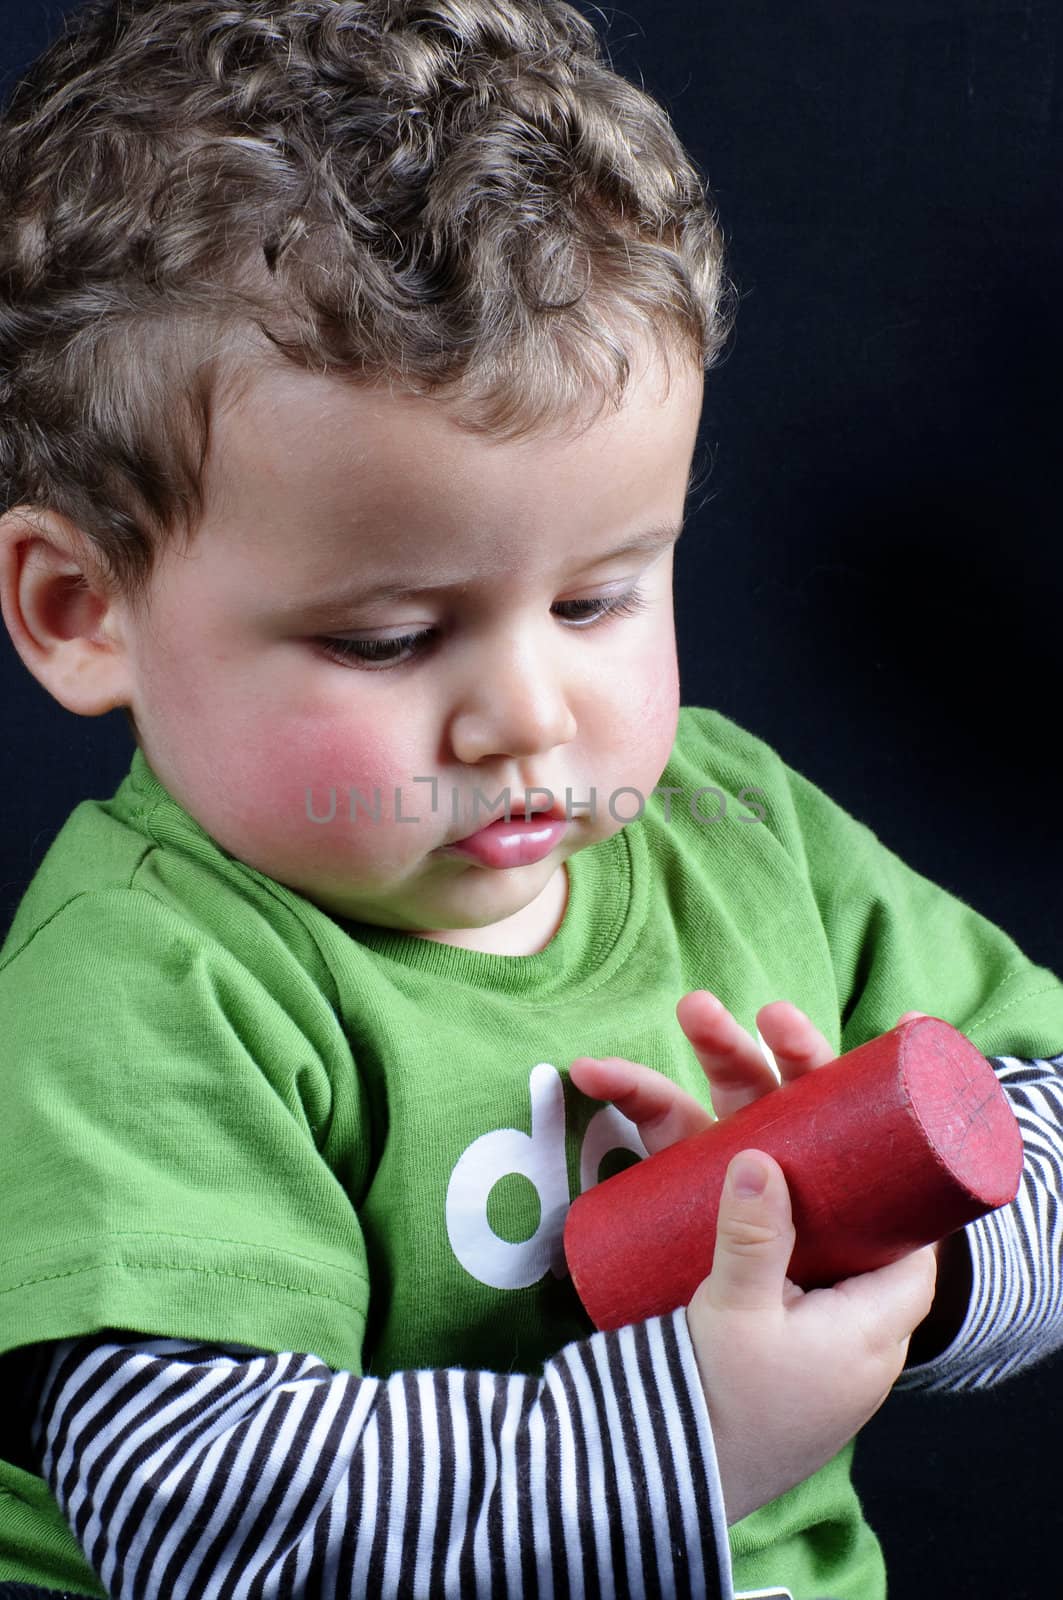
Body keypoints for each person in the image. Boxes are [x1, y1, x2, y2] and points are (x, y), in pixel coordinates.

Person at [0, 1, 1061, 1597]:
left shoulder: (730, 823)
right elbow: (203, 1508)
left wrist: (883, 1229)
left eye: (598, 601)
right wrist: (693, 1433)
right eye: (390, 636)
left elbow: (1042, 1101)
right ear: (83, 610)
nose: (525, 715)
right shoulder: (150, 986)